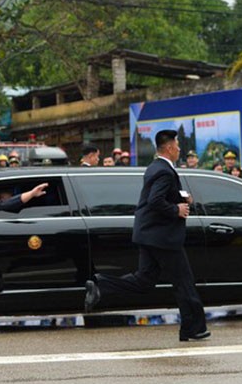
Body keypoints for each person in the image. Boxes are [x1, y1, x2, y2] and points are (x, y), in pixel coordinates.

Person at [83, 129, 209, 342]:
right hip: (163, 237)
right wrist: (176, 210)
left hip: (149, 234)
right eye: (177, 146)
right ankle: (193, 329)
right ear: (169, 148)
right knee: (184, 282)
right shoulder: (164, 171)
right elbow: (155, 200)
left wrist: (183, 198)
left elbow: (159, 195)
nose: (179, 149)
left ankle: (101, 286)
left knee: (144, 281)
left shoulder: (156, 167)